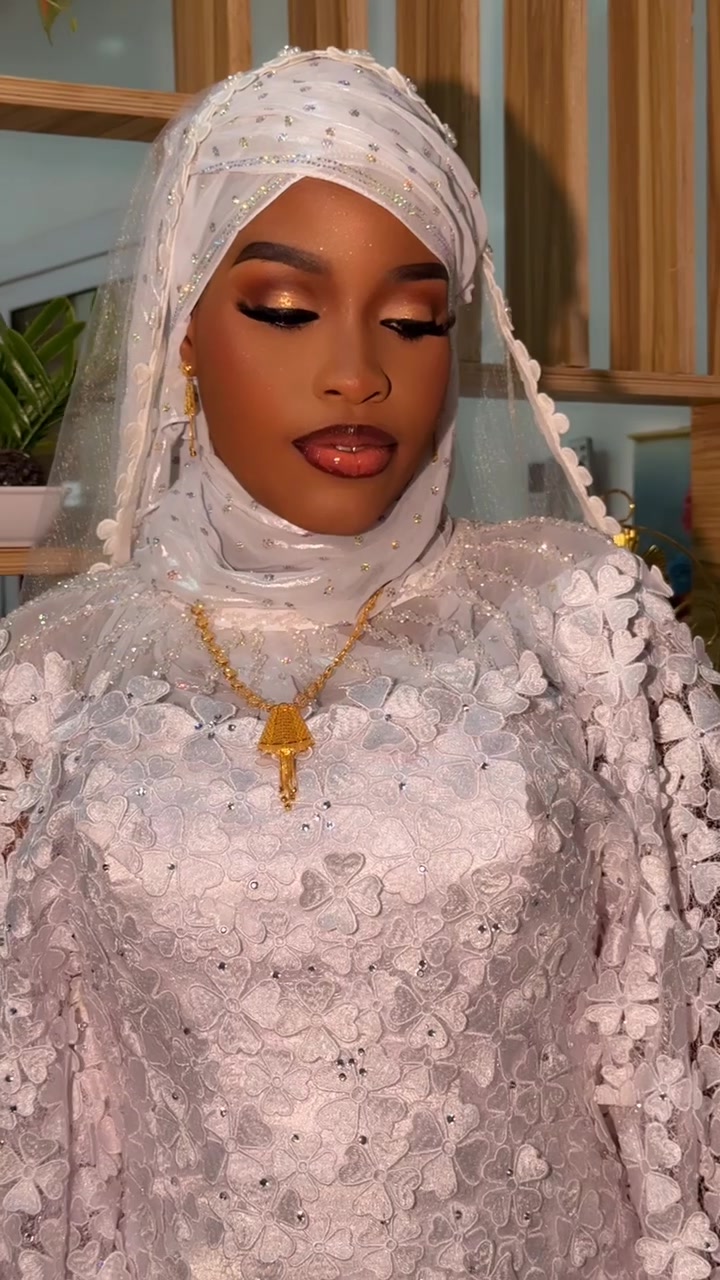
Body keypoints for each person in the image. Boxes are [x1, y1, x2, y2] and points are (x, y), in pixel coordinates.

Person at [0, 46, 718, 1280]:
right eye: (285, 309)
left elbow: (685, 1033)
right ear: (183, 326)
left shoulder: (578, 620)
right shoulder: (52, 673)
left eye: (413, 320)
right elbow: (48, 1105)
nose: (357, 373)